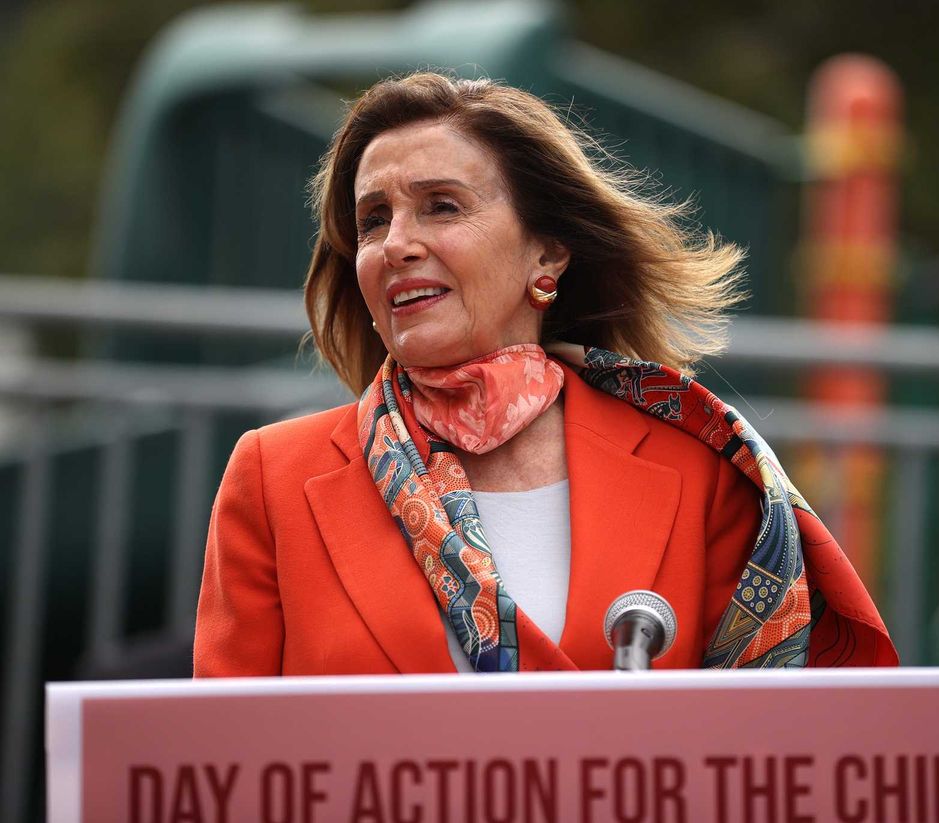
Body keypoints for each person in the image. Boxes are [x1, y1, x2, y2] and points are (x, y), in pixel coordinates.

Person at [194, 72, 896, 676]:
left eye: (441, 205)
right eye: (373, 220)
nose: (397, 243)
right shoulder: (272, 480)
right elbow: (217, 765)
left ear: (548, 252)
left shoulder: (701, 470)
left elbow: (761, 748)